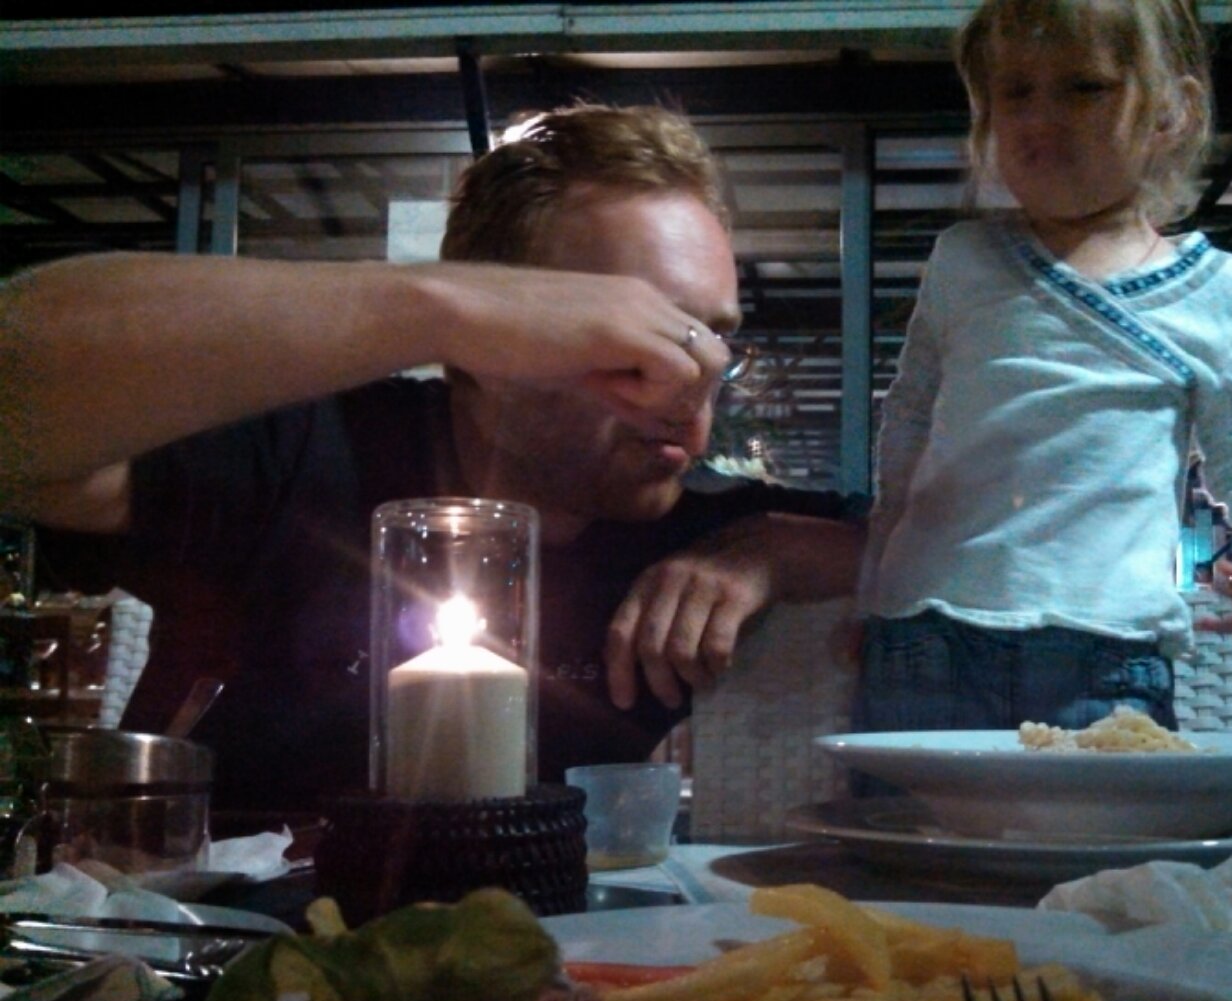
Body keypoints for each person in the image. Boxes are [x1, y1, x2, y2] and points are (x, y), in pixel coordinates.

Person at [2, 103, 862, 810]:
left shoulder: (709, 527)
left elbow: (918, 560)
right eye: (629, 337)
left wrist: (771, 548)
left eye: (710, 338)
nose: (691, 383)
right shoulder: (315, 452)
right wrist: (433, 306)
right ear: (490, 343)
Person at [855, 0, 1232, 735]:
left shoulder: (1215, 290)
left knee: (1104, 816)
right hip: (926, 629)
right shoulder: (962, 261)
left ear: (1171, 113)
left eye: (1084, 87)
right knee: (911, 813)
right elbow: (909, 421)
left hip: (1109, 644)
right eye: (1015, 91)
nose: (1040, 117)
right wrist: (874, 574)